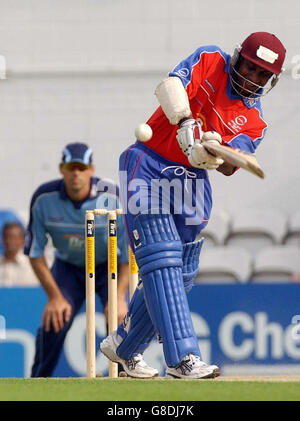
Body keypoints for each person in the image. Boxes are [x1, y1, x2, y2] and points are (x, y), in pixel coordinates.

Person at [100, 32, 286, 379]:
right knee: (162, 255)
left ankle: (123, 347)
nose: (253, 78)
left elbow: (233, 164)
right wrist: (185, 121)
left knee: (180, 271)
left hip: (191, 179)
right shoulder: (210, 60)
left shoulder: (255, 123)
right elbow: (170, 86)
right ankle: (183, 358)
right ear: (237, 59)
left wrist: (209, 153)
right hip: (149, 163)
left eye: (263, 74)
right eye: (250, 67)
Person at [24, 142, 130, 377]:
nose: (75, 174)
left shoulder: (112, 197)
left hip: (108, 266)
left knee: (119, 319)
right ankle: (37, 382)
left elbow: (127, 254)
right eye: (71, 167)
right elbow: (34, 252)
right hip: (67, 268)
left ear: (91, 170)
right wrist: (54, 297)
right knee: (56, 318)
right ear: (61, 169)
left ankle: (126, 378)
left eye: (81, 168)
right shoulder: (44, 198)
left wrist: (120, 297)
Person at [0, 222, 38, 286]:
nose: (10, 241)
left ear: (22, 240)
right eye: (7, 237)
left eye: (14, 238)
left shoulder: (32, 266)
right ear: (2, 239)